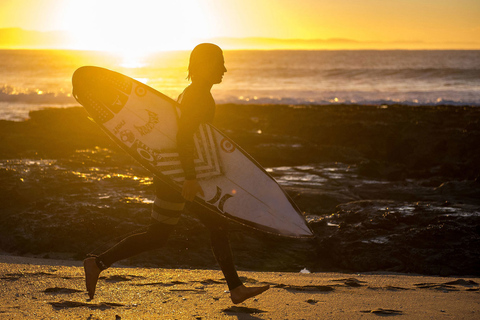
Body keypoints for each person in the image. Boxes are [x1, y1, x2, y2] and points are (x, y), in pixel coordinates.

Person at [83, 43, 270, 304]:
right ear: (205, 66)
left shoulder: (194, 93)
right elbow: (183, 138)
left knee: (159, 236)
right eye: (220, 63)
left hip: (173, 175)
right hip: (180, 177)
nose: (225, 69)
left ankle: (97, 262)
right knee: (215, 225)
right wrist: (191, 178)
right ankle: (236, 288)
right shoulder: (198, 97)